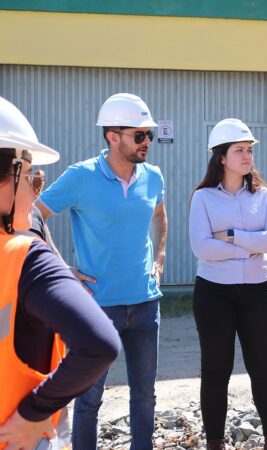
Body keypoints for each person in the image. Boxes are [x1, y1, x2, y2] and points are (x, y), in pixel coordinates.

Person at [35, 93, 168, 450]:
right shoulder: (81, 177)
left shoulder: (152, 177)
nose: (146, 143)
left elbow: (159, 216)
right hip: (98, 308)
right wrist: (61, 269)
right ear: (113, 135)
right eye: (138, 135)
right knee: (89, 399)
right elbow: (34, 215)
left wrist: (160, 258)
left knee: (145, 395)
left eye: (149, 135)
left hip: (145, 305)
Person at [0, 96, 120, 450]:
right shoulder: (24, 257)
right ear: (14, 172)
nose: (35, 191)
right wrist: (34, 412)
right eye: (34, 177)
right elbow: (99, 344)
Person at [189, 118, 267, 450]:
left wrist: (232, 237)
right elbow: (202, 247)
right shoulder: (202, 198)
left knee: (264, 369)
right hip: (214, 295)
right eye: (239, 150)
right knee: (216, 370)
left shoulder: (263, 196)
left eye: (249, 150)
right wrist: (251, 245)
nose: (247, 156)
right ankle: (214, 442)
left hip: (258, 292)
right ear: (221, 157)